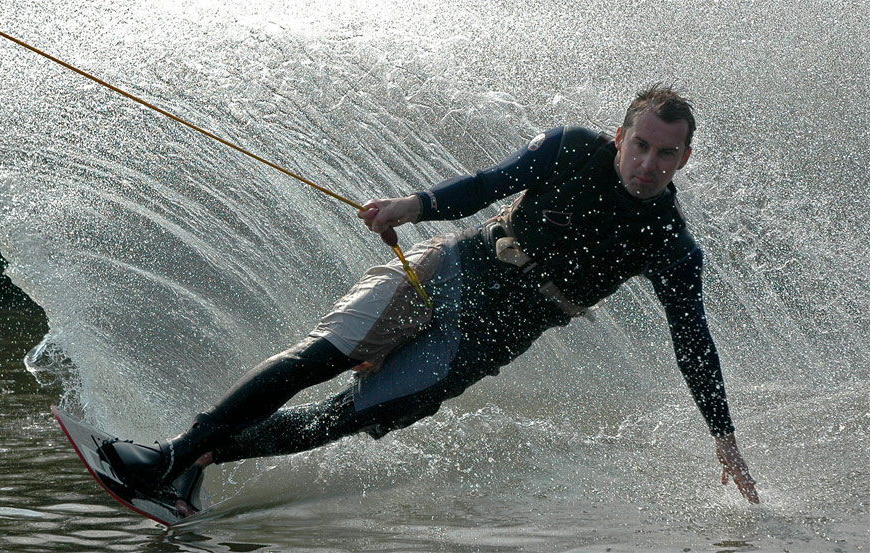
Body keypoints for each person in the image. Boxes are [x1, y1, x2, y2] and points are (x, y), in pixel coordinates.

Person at [102, 84, 760, 515]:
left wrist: (724, 438)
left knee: (350, 415)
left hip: (490, 337)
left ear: (685, 158)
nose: (648, 163)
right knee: (323, 353)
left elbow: (693, 343)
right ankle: (170, 454)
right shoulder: (569, 150)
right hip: (454, 268)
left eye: (665, 154)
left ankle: (206, 460)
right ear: (620, 137)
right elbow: (486, 184)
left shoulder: (670, 244)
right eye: (639, 145)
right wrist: (410, 206)